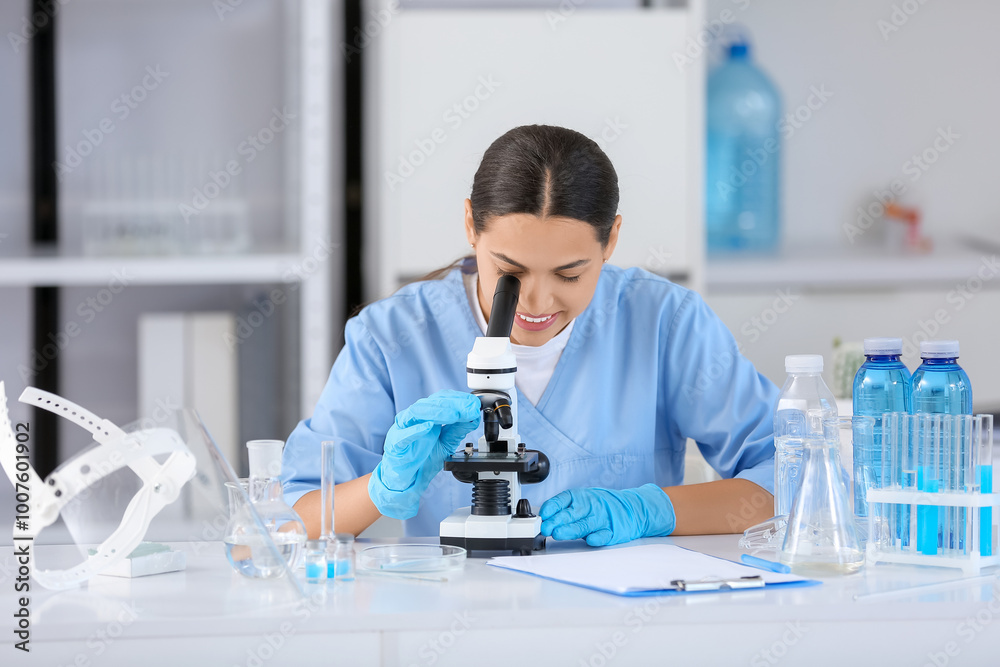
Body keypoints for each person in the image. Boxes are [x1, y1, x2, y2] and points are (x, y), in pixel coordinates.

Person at [282, 124, 778, 546]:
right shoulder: (390, 337)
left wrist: (653, 511)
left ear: (611, 240)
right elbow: (278, 529)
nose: (537, 305)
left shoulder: (666, 323)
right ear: (471, 227)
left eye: (570, 275)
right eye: (510, 273)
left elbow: (795, 479)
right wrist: (379, 490)